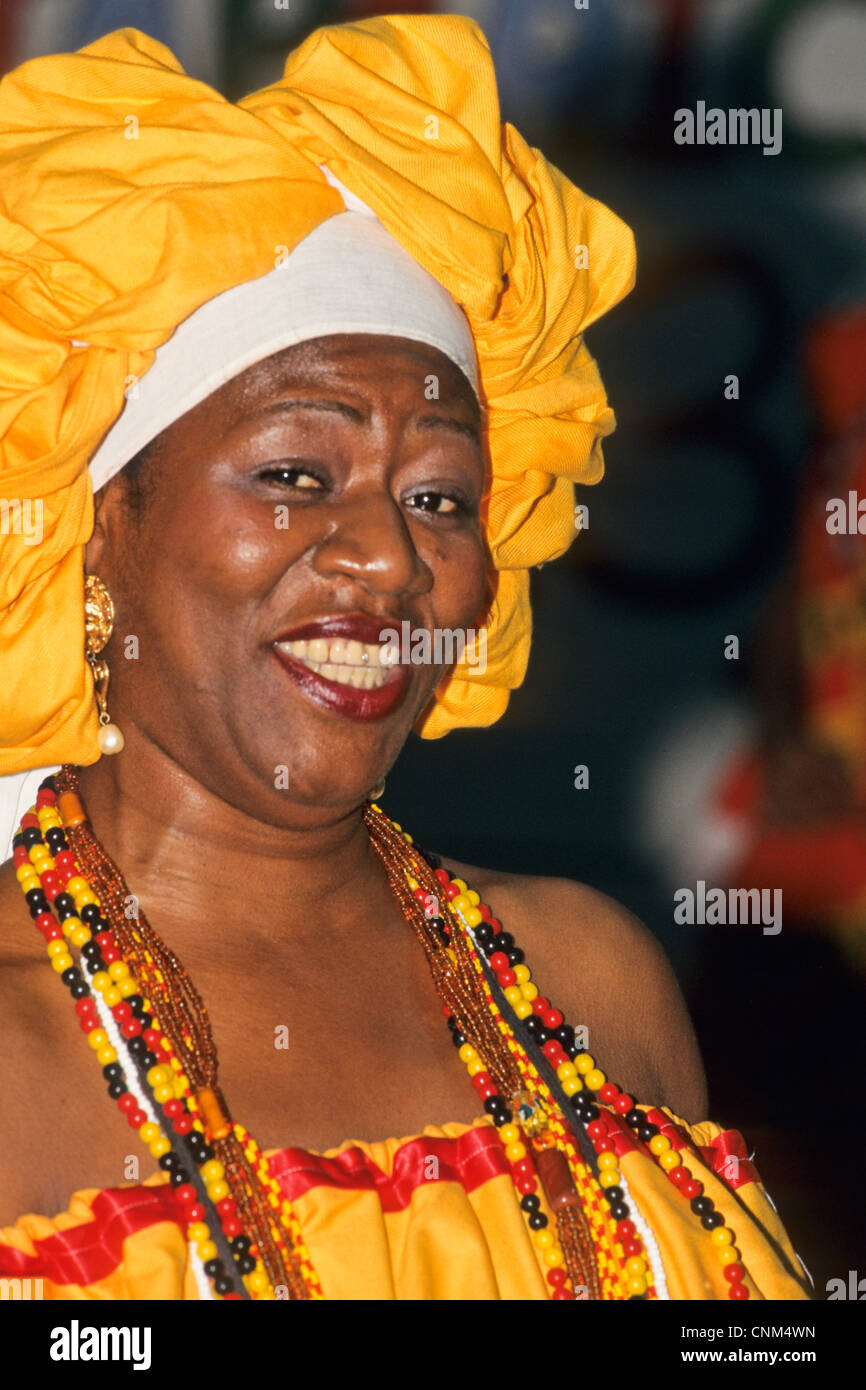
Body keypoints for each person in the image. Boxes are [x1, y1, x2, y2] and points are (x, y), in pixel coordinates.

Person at [0, 14, 808, 1301]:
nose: (385, 558)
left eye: (437, 496)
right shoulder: (19, 1050)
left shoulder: (585, 980)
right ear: (98, 529)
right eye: (292, 474)